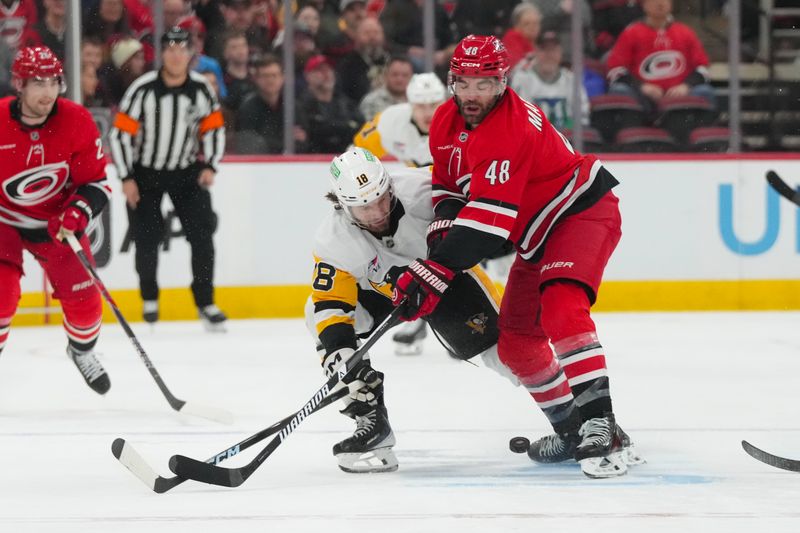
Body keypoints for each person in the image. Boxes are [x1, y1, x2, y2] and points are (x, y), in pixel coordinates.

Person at [390, 35, 642, 478]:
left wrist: (437, 269)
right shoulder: (446, 120)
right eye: (463, 83)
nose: (472, 94)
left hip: (580, 212)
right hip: (536, 234)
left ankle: (603, 425)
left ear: (503, 82)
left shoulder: (509, 128)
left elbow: (489, 226)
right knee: (516, 344)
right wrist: (438, 249)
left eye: (484, 84)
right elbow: (449, 191)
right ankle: (571, 429)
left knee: (563, 306)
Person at [306, 147, 515, 473]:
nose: (377, 212)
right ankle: (370, 419)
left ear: (390, 187)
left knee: (507, 353)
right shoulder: (333, 241)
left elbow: (482, 196)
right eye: (363, 208)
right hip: (384, 294)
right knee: (318, 319)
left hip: (448, 280)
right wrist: (341, 357)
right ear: (342, 206)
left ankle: (578, 413)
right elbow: (331, 305)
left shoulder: (421, 189)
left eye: (381, 200)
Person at [0, 46, 111, 394]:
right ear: (19, 84)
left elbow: (96, 183)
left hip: (57, 225)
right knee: (0, 295)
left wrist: (78, 211)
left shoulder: (76, 120)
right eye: (37, 83)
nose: (47, 92)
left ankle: (81, 351)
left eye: (53, 82)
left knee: (86, 305)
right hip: (4, 221)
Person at [108, 27, 227, 331]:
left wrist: (210, 165)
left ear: (190, 53)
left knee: (202, 237)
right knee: (146, 238)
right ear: (162, 53)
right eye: (170, 48)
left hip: (186, 172)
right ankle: (149, 297)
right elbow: (120, 135)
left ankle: (205, 301)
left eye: (181, 48)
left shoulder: (201, 88)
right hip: (146, 173)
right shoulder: (143, 88)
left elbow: (213, 128)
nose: (176, 54)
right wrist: (126, 176)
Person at [606, 0, 714, 113]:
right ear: (644, 5)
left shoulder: (685, 32)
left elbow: (703, 69)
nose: (660, 3)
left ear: (671, 5)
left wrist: (686, 86)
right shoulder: (631, 32)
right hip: (642, 97)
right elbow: (615, 70)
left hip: (680, 97)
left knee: (704, 91)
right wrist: (642, 87)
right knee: (619, 90)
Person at [353, 72, 446, 167]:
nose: (428, 113)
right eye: (420, 106)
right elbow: (356, 153)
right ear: (411, 104)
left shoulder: (459, 124)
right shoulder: (389, 120)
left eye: (434, 105)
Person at [510, 30, 590, 132]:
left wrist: (566, 130)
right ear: (536, 51)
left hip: (567, 142)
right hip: (533, 142)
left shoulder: (571, 80)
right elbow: (516, 119)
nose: (549, 55)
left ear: (560, 52)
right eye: (544, 50)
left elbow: (582, 118)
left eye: (553, 50)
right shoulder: (522, 79)